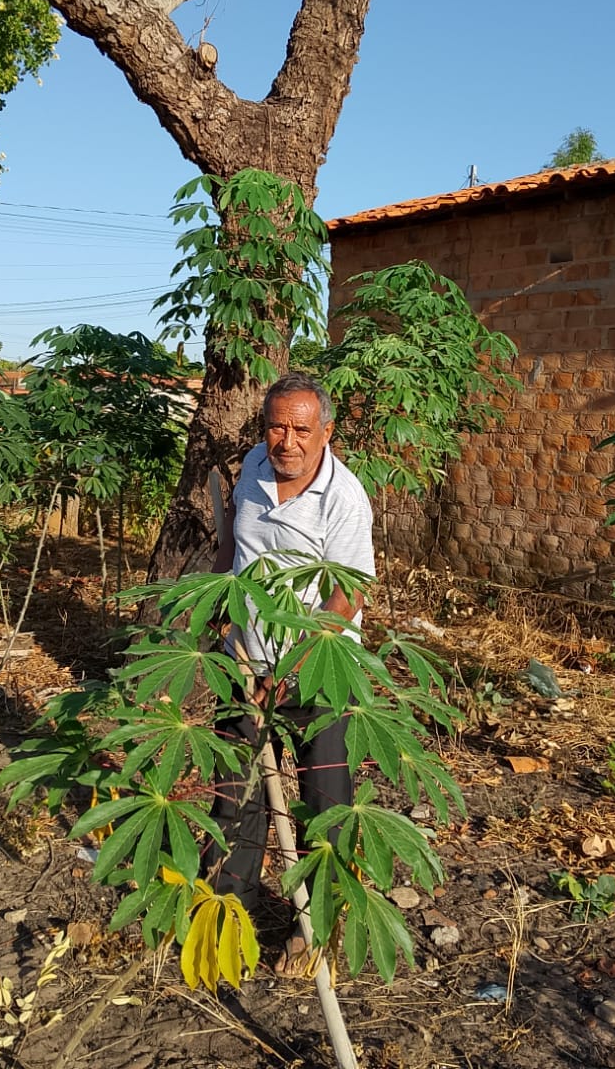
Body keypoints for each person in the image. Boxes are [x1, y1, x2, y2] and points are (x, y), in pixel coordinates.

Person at [203, 371, 375, 970]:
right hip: (244, 665)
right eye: (277, 426)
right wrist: (218, 606)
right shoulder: (252, 466)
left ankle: (316, 927)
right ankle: (226, 919)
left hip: (318, 672)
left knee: (325, 802)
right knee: (236, 798)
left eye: (301, 428)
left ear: (325, 432)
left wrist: (292, 665)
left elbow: (347, 595)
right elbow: (232, 550)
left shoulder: (345, 497)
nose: (287, 441)